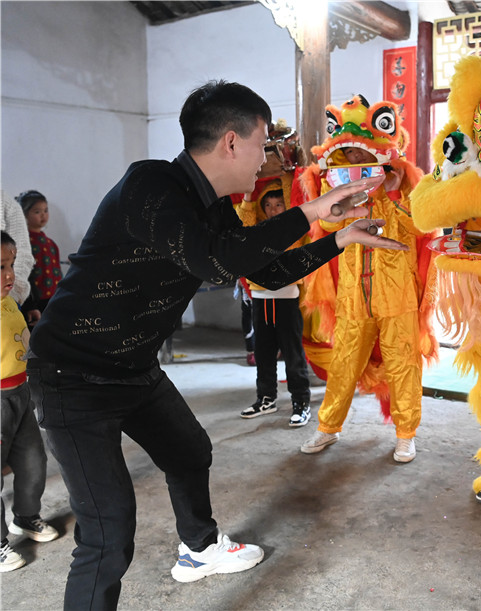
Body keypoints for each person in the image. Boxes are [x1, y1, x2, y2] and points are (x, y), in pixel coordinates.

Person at [25, 80, 406, 609]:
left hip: (133, 369)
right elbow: (215, 261)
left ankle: (199, 549)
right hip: (73, 374)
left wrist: (338, 239)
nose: (266, 159)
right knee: (109, 535)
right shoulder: (151, 185)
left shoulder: (214, 206)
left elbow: (261, 269)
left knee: (189, 450)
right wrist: (313, 212)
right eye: (261, 145)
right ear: (231, 142)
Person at [296, 95, 438, 464]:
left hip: (398, 299)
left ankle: (406, 435)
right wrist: (339, 203)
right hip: (353, 299)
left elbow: (422, 226)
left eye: (363, 157)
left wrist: (393, 193)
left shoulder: (406, 190)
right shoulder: (341, 193)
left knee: (403, 365)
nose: (357, 163)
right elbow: (324, 228)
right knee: (343, 363)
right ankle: (328, 428)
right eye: (350, 159)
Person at [1, 231, 60, 573]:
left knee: (32, 461)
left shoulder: (9, 301)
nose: (10, 274)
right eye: (0, 267)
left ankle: (25, 517)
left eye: (10, 264)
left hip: (22, 394)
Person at [236, 182, 313, 426]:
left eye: (278, 204)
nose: (273, 210)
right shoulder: (258, 231)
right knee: (263, 353)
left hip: (287, 300)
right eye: (267, 205)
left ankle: (301, 403)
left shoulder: (294, 229)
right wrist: (248, 194)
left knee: (293, 355)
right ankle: (266, 398)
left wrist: (290, 176)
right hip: (260, 300)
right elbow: (243, 222)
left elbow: (296, 202)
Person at [16, 190, 63, 314]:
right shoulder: (23, 243)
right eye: (37, 212)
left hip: (55, 298)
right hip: (34, 302)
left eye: (45, 210)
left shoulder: (51, 244)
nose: (43, 215)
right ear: (24, 215)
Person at [0, 190, 38, 323]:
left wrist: (29, 305)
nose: (10, 274)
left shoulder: (6, 204)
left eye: (11, 266)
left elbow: (23, 258)